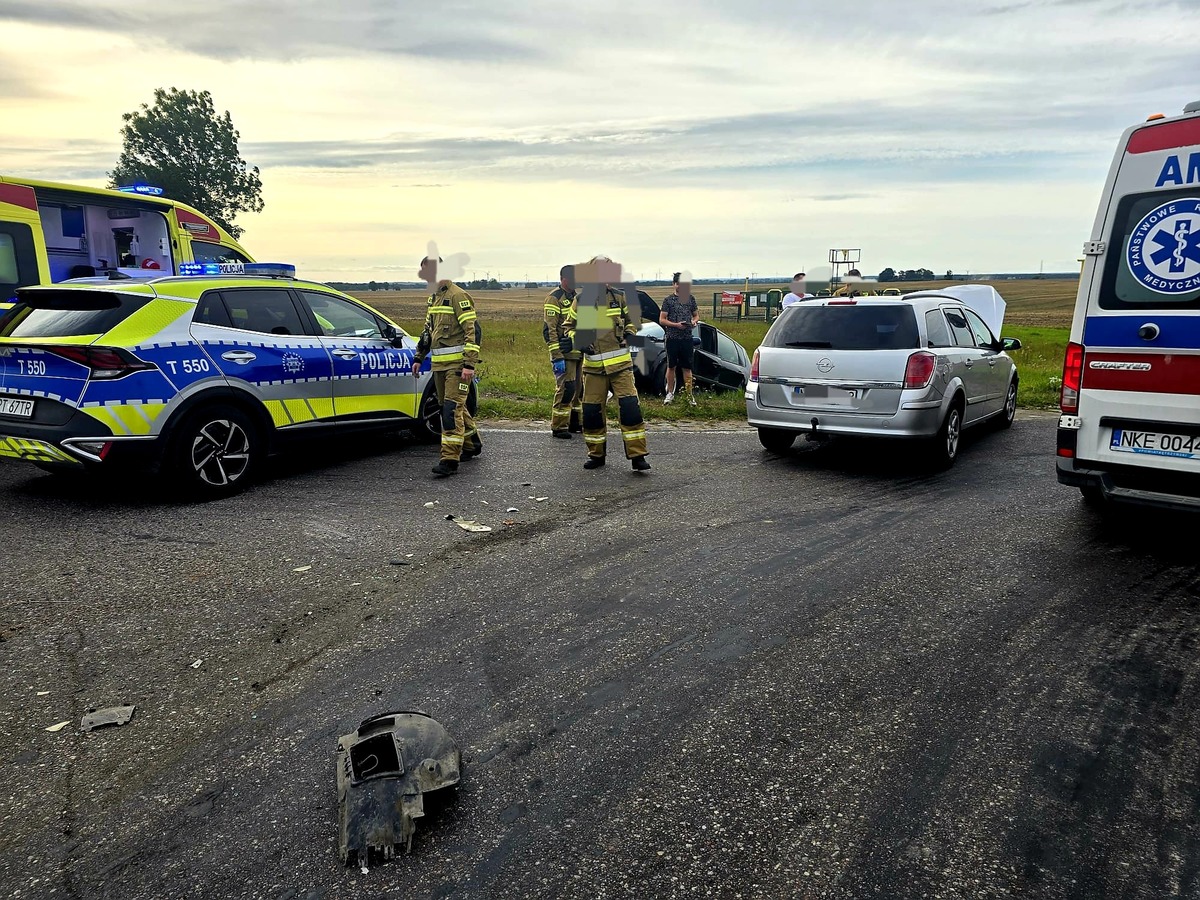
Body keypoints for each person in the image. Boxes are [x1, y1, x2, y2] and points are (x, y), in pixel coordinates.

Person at [562, 256, 650, 471]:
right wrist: (577, 341)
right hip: (593, 370)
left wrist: (629, 334)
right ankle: (596, 455)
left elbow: (633, 323)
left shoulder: (620, 297)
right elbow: (568, 328)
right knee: (591, 413)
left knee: (630, 410)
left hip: (621, 367)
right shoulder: (581, 300)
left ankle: (637, 456)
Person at [410, 254, 482, 477]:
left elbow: (473, 331)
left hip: (458, 367)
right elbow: (427, 332)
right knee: (449, 408)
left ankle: (449, 459)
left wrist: (469, 364)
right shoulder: (433, 299)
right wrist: (419, 357)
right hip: (439, 367)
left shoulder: (458, 296)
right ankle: (472, 443)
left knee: (451, 411)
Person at [544, 264, 582, 438]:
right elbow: (550, 330)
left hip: (578, 350)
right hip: (563, 353)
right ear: (564, 279)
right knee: (566, 388)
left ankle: (575, 422)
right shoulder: (554, 298)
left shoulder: (577, 297)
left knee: (578, 389)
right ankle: (559, 426)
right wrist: (556, 355)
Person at [659, 271, 699, 406]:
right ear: (674, 284)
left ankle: (689, 395)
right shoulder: (668, 300)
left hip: (687, 338)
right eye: (678, 284)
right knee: (671, 366)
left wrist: (694, 322)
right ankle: (670, 393)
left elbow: (696, 315)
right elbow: (662, 320)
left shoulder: (690, 299)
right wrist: (676, 325)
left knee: (687, 368)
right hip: (672, 338)